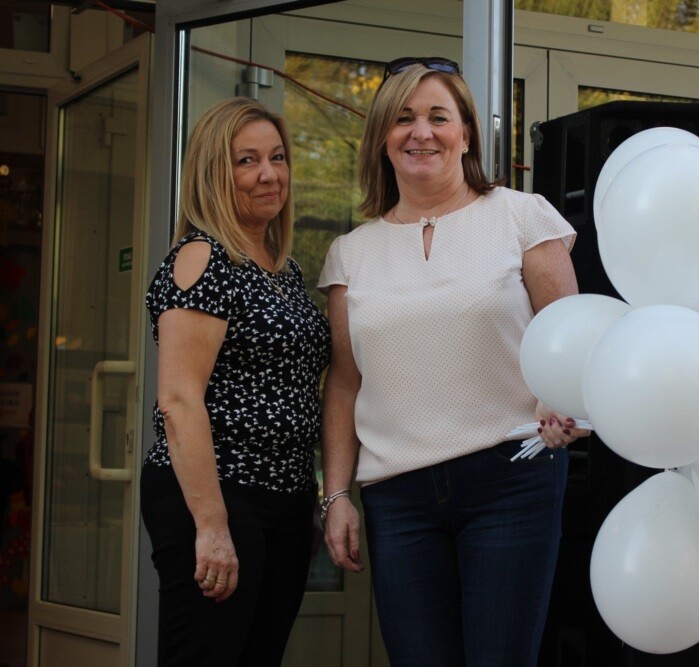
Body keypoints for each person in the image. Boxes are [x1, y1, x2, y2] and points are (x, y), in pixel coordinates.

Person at [318, 56, 590, 666]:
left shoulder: (522, 217)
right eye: (403, 118)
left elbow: (570, 339)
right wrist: (335, 496)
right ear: (382, 138)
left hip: (511, 479)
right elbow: (344, 384)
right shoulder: (350, 255)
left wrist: (560, 402)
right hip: (398, 497)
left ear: (466, 134)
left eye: (439, 117)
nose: (422, 132)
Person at [140, 97, 330, 666]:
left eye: (277, 157)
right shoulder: (204, 257)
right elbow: (178, 400)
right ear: (213, 173)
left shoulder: (284, 269)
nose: (269, 174)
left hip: (285, 499)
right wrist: (212, 525)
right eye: (247, 161)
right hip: (222, 495)